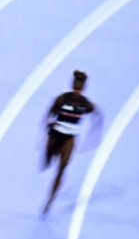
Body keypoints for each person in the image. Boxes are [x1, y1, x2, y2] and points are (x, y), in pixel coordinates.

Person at [42, 70, 102, 216]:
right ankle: (48, 156)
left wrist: (94, 135)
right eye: (76, 84)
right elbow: (49, 114)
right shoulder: (63, 99)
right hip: (55, 135)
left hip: (68, 138)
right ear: (73, 84)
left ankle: (49, 202)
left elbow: (98, 116)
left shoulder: (85, 104)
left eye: (79, 86)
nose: (77, 88)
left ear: (82, 87)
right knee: (48, 163)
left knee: (61, 170)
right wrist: (48, 125)